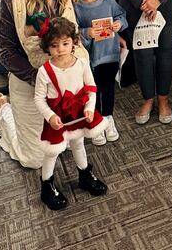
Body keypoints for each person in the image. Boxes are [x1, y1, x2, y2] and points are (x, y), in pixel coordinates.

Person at [0, 0, 80, 170]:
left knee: (64, 146)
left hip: (63, 80)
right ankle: (3, 108)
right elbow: (5, 50)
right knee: (33, 160)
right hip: (30, 78)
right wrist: (39, 78)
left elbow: (75, 35)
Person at [34, 17, 108, 210]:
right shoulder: (44, 71)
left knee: (78, 143)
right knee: (52, 151)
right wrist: (50, 116)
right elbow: (39, 99)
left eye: (65, 43)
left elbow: (91, 88)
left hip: (78, 111)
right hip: (57, 116)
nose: (60, 49)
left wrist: (89, 109)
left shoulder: (82, 63)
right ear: (47, 47)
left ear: (73, 42)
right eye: (54, 45)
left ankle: (84, 174)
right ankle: (47, 185)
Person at [70, 0, 128, 146]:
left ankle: (108, 118)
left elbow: (121, 16)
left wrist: (120, 24)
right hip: (90, 59)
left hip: (110, 55)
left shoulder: (109, 1)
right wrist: (87, 32)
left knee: (108, 87)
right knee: (92, 91)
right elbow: (73, 32)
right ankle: (95, 122)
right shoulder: (75, 7)